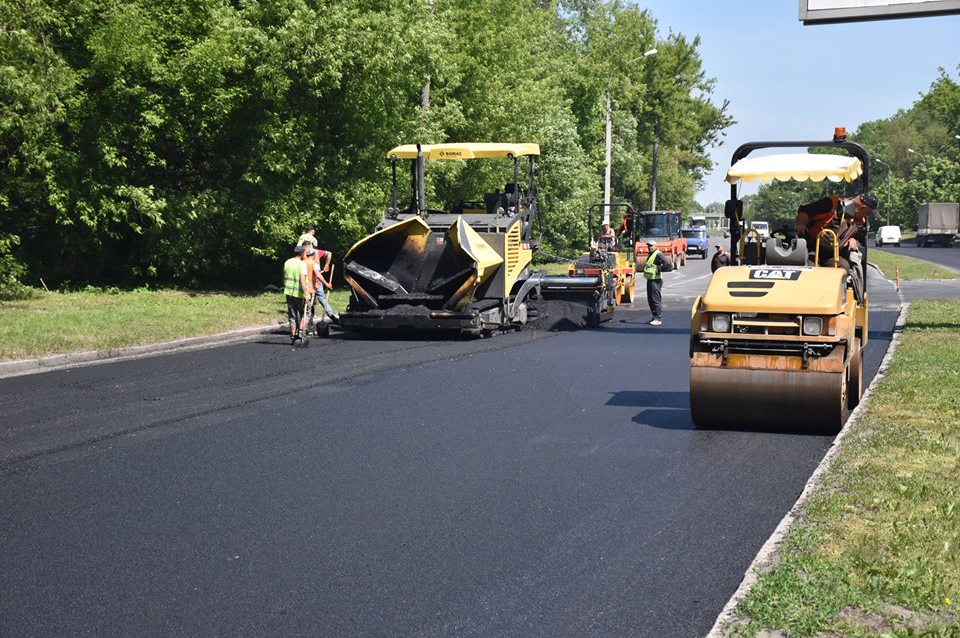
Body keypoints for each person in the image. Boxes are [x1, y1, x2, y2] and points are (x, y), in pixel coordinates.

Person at [302, 244, 338, 328]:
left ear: (307, 246)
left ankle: (308, 323)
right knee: (312, 301)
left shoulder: (312, 253)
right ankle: (308, 323)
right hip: (312, 280)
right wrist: (326, 284)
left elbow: (329, 253)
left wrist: (327, 264)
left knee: (314, 300)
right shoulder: (307, 255)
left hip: (313, 281)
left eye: (305, 247)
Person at [283, 245, 312, 343]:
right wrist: (306, 294)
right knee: (305, 314)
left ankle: (293, 336)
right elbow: (302, 281)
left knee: (292, 315)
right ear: (303, 253)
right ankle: (300, 335)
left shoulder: (287, 262)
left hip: (288, 292)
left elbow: (284, 277)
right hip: (299, 294)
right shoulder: (301, 264)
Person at [643, 239, 672, 325]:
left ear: (655, 246)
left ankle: (658, 318)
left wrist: (659, 269)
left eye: (651, 246)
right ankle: (654, 316)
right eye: (648, 246)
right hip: (650, 279)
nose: (649, 247)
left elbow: (667, 263)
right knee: (650, 299)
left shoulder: (658, 254)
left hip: (656, 280)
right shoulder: (651, 254)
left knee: (656, 299)